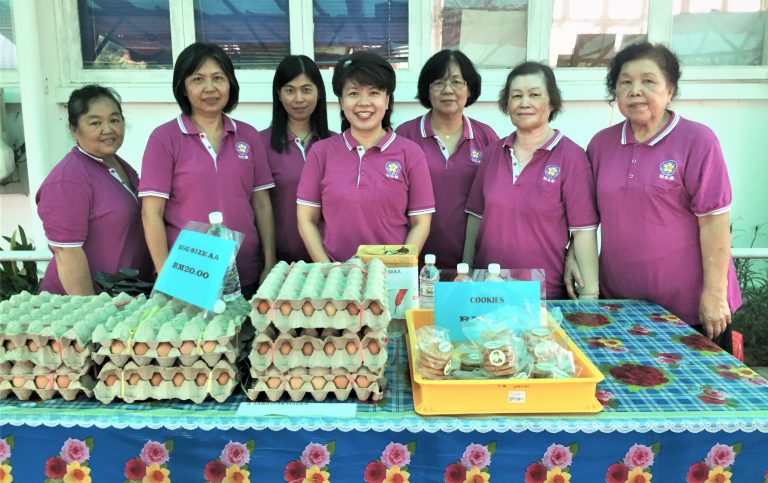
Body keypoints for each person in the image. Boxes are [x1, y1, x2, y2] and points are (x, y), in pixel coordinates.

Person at [568, 42, 741, 349]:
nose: (635, 90)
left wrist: (715, 294)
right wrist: (572, 254)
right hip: (620, 305)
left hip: (690, 309)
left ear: (670, 90)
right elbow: (586, 216)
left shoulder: (697, 141)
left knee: (698, 381)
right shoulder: (601, 145)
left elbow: (714, 221)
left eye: (648, 81)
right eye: (625, 82)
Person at [139, 43, 276, 299]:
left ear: (230, 84)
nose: (210, 88)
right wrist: (166, 277)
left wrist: (269, 263)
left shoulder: (248, 136)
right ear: (183, 87)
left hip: (245, 272)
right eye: (198, 79)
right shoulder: (164, 138)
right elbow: (151, 214)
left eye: (218, 78)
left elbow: (262, 205)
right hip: (187, 277)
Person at [463, 62, 599, 299]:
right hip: (488, 290)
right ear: (507, 104)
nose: (524, 103)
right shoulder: (493, 153)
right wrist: (467, 272)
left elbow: (583, 232)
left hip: (545, 295)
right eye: (516, 96)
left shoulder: (572, 157)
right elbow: (476, 218)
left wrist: (590, 295)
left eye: (534, 94)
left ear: (552, 101)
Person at [296, 51, 435, 263]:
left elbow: (421, 223)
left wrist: (396, 267)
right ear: (341, 101)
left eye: (374, 93)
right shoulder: (321, 153)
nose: (364, 102)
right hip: (336, 275)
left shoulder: (410, 153)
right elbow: (306, 219)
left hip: (392, 275)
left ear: (387, 100)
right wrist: (328, 270)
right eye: (353, 93)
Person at [36, 85, 152, 295]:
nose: (108, 129)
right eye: (95, 123)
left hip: (123, 297)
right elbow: (66, 252)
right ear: (74, 130)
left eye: (114, 120)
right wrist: (89, 308)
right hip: (82, 304)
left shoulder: (118, 165)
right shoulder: (68, 179)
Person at [397, 50, 498, 269]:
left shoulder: (486, 137)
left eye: (456, 82)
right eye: (438, 83)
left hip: (471, 260)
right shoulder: (405, 136)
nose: (448, 90)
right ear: (427, 89)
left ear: (470, 88)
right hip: (412, 259)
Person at [262, 55, 332, 263]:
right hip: (281, 263)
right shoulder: (259, 144)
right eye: (290, 90)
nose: (299, 99)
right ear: (279, 94)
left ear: (319, 92)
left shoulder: (337, 144)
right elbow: (259, 207)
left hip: (332, 261)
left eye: (306, 89)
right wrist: (269, 262)